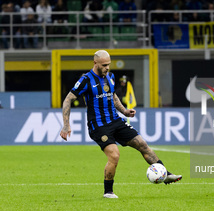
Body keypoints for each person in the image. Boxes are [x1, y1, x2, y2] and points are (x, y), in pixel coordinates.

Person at [60, 50, 182, 199]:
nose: (107, 68)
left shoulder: (110, 77)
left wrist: (124, 111)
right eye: (104, 65)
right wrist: (66, 125)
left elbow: (113, 95)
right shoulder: (86, 80)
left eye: (109, 65)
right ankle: (108, 192)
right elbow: (68, 99)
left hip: (116, 121)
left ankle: (166, 174)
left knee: (142, 144)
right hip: (98, 126)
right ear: (95, 63)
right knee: (114, 155)